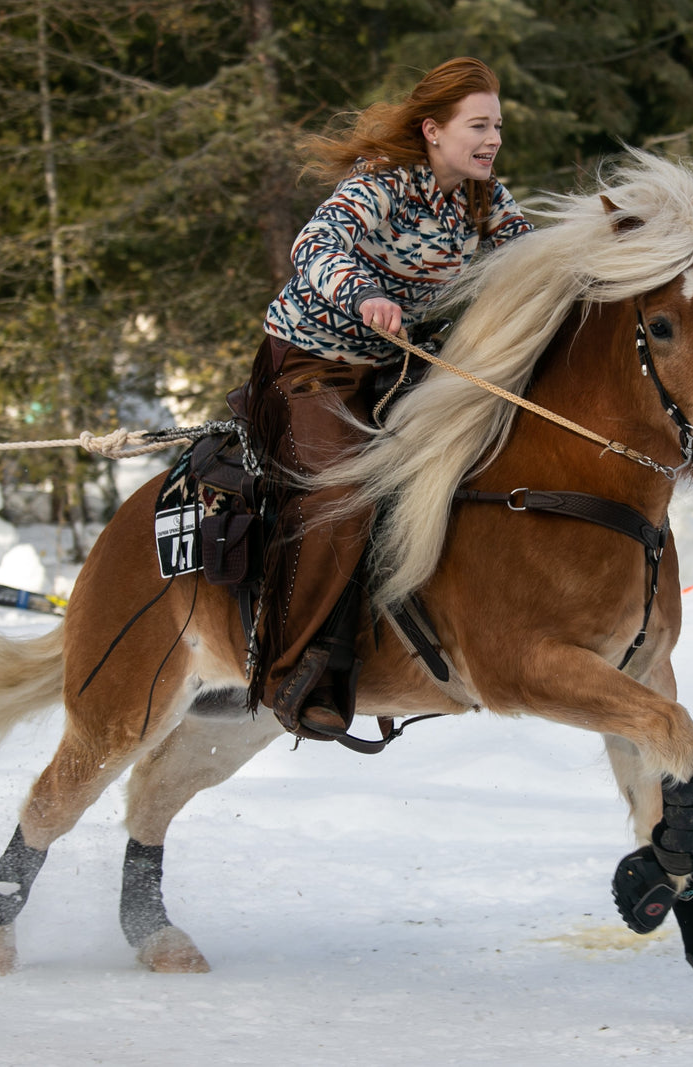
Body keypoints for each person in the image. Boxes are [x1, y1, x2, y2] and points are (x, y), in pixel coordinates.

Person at [242, 57, 533, 744]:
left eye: (498, 126)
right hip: (313, 366)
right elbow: (314, 247)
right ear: (433, 130)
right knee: (342, 495)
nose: (493, 139)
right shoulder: (381, 184)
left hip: (397, 374)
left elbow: (536, 259)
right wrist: (362, 294)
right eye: (479, 125)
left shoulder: (487, 201)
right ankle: (297, 670)